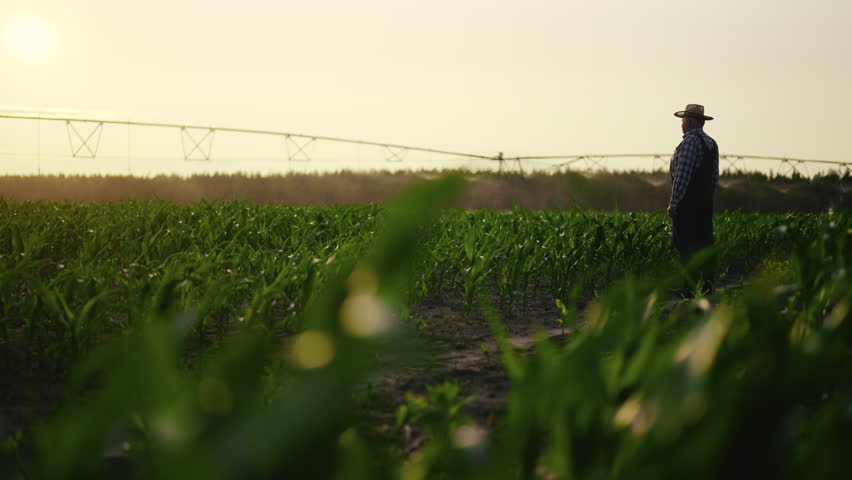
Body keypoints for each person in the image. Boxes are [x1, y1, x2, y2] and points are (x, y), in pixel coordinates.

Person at [667, 104, 719, 292]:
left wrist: (674, 203)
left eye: (683, 121)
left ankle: (688, 287)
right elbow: (714, 178)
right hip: (704, 205)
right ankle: (707, 285)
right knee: (704, 243)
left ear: (688, 122)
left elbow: (683, 175)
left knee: (686, 246)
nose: (681, 124)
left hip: (687, 204)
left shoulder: (689, 142)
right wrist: (710, 201)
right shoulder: (711, 144)